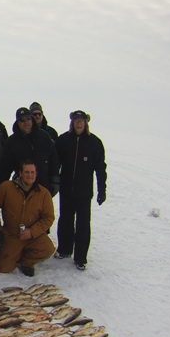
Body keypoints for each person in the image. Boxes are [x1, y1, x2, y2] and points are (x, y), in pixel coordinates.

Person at [54, 110, 107, 271]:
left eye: (81, 121)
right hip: (66, 189)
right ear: (72, 123)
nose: (79, 123)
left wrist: (101, 190)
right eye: (76, 120)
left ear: (86, 123)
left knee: (83, 224)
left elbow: (100, 169)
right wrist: (54, 183)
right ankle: (64, 249)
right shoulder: (63, 140)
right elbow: (55, 164)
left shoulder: (94, 142)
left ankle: (81, 258)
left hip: (84, 192)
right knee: (66, 220)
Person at [0, 160, 55, 277]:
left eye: (32, 172)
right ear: (20, 173)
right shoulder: (6, 187)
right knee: (2, 268)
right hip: (11, 234)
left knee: (48, 249)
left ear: (36, 174)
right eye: (26, 172)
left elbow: (48, 217)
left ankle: (26, 261)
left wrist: (32, 232)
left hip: (33, 235)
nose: (30, 175)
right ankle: (15, 252)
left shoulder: (44, 193)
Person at [0, 107, 60, 195]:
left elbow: (54, 159)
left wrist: (55, 181)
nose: (26, 122)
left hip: (43, 186)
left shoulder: (44, 136)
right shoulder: (11, 142)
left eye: (28, 118)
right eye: (22, 120)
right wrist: (2, 188)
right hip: (21, 188)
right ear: (17, 123)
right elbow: (5, 168)